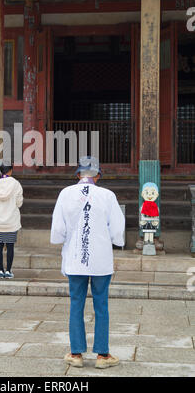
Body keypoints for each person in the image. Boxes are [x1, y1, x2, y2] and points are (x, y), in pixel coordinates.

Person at [50, 156, 125, 369]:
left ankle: (76, 353)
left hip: (75, 258)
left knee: (76, 303)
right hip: (101, 258)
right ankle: (102, 355)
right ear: (98, 175)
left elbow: (58, 229)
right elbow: (117, 229)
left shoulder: (65, 194)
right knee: (101, 304)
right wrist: (114, 241)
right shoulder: (108, 195)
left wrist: (62, 240)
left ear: (78, 175)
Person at [0, 163, 23, 279]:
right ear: (10, 171)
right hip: (11, 220)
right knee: (10, 246)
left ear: (1, 171)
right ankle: (8, 271)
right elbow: (19, 203)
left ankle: (0, 270)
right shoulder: (15, 184)